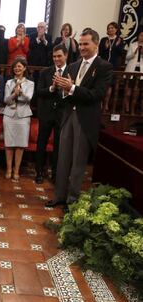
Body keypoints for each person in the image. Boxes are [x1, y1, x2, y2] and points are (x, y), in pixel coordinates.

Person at [47, 29, 113, 210]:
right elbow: (66, 93)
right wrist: (61, 87)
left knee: (77, 162)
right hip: (68, 116)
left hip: (85, 119)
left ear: (96, 44)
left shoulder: (104, 67)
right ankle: (59, 196)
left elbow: (96, 95)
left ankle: (72, 200)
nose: (82, 47)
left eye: (86, 44)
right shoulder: (74, 65)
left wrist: (72, 88)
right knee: (63, 159)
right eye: (81, 44)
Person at [35, 44, 68, 184]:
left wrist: (65, 88)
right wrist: (52, 88)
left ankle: (55, 174)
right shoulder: (45, 72)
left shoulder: (72, 71)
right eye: (54, 56)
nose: (56, 59)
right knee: (41, 144)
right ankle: (39, 173)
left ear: (66, 55)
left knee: (59, 146)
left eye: (59, 56)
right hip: (46, 113)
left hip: (63, 114)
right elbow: (39, 92)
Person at [2, 57, 34, 180]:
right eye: (15, 66)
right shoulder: (9, 82)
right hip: (9, 115)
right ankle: (9, 169)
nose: (17, 68)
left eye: (19, 66)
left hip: (23, 116)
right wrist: (14, 94)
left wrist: (20, 93)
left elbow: (29, 98)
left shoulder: (30, 83)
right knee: (9, 144)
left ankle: (16, 170)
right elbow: (6, 100)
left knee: (20, 145)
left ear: (24, 68)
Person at [99, 22, 124, 112]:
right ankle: (100, 103)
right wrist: (105, 48)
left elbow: (121, 53)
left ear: (116, 29)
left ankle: (106, 104)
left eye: (112, 28)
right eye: (109, 28)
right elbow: (100, 53)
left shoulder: (119, 40)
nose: (110, 29)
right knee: (101, 85)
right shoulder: (104, 39)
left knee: (109, 86)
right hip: (103, 66)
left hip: (113, 66)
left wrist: (117, 46)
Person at [124, 30, 143, 113]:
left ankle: (132, 108)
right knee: (128, 92)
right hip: (131, 70)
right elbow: (127, 58)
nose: (142, 37)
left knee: (136, 93)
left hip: (140, 72)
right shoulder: (132, 45)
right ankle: (127, 107)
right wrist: (134, 53)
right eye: (141, 35)